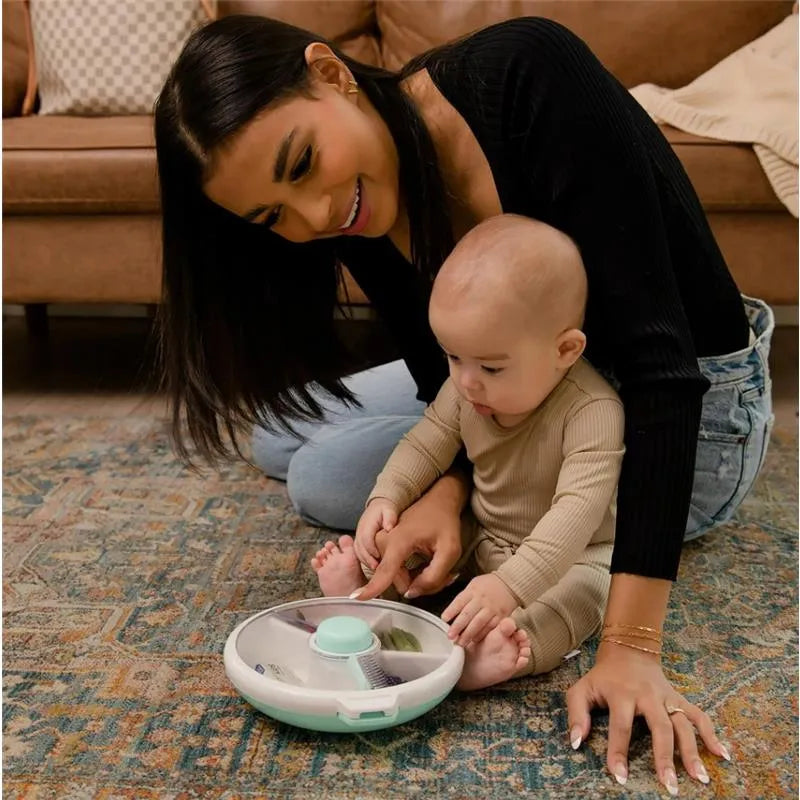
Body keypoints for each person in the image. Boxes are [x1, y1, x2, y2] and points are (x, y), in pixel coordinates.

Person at [154, 14, 774, 793]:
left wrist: (631, 647)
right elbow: (440, 385)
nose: (315, 217)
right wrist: (444, 497)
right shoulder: (357, 194)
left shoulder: (528, 78)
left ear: (332, 74)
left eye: (303, 164)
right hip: (504, 389)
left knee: (319, 477)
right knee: (274, 437)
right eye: (274, 216)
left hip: (676, 410)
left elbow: (663, 372)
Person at [311, 214, 626, 694]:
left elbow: (575, 516)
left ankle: (502, 653)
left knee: (584, 595)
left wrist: (511, 586)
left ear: (565, 350)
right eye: (453, 357)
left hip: (575, 555)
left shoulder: (594, 411)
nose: (466, 381)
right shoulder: (466, 387)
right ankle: (368, 589)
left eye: (492, 367)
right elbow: (425, 442)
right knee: (406, 544)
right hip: (482, 531)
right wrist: (386, 498)